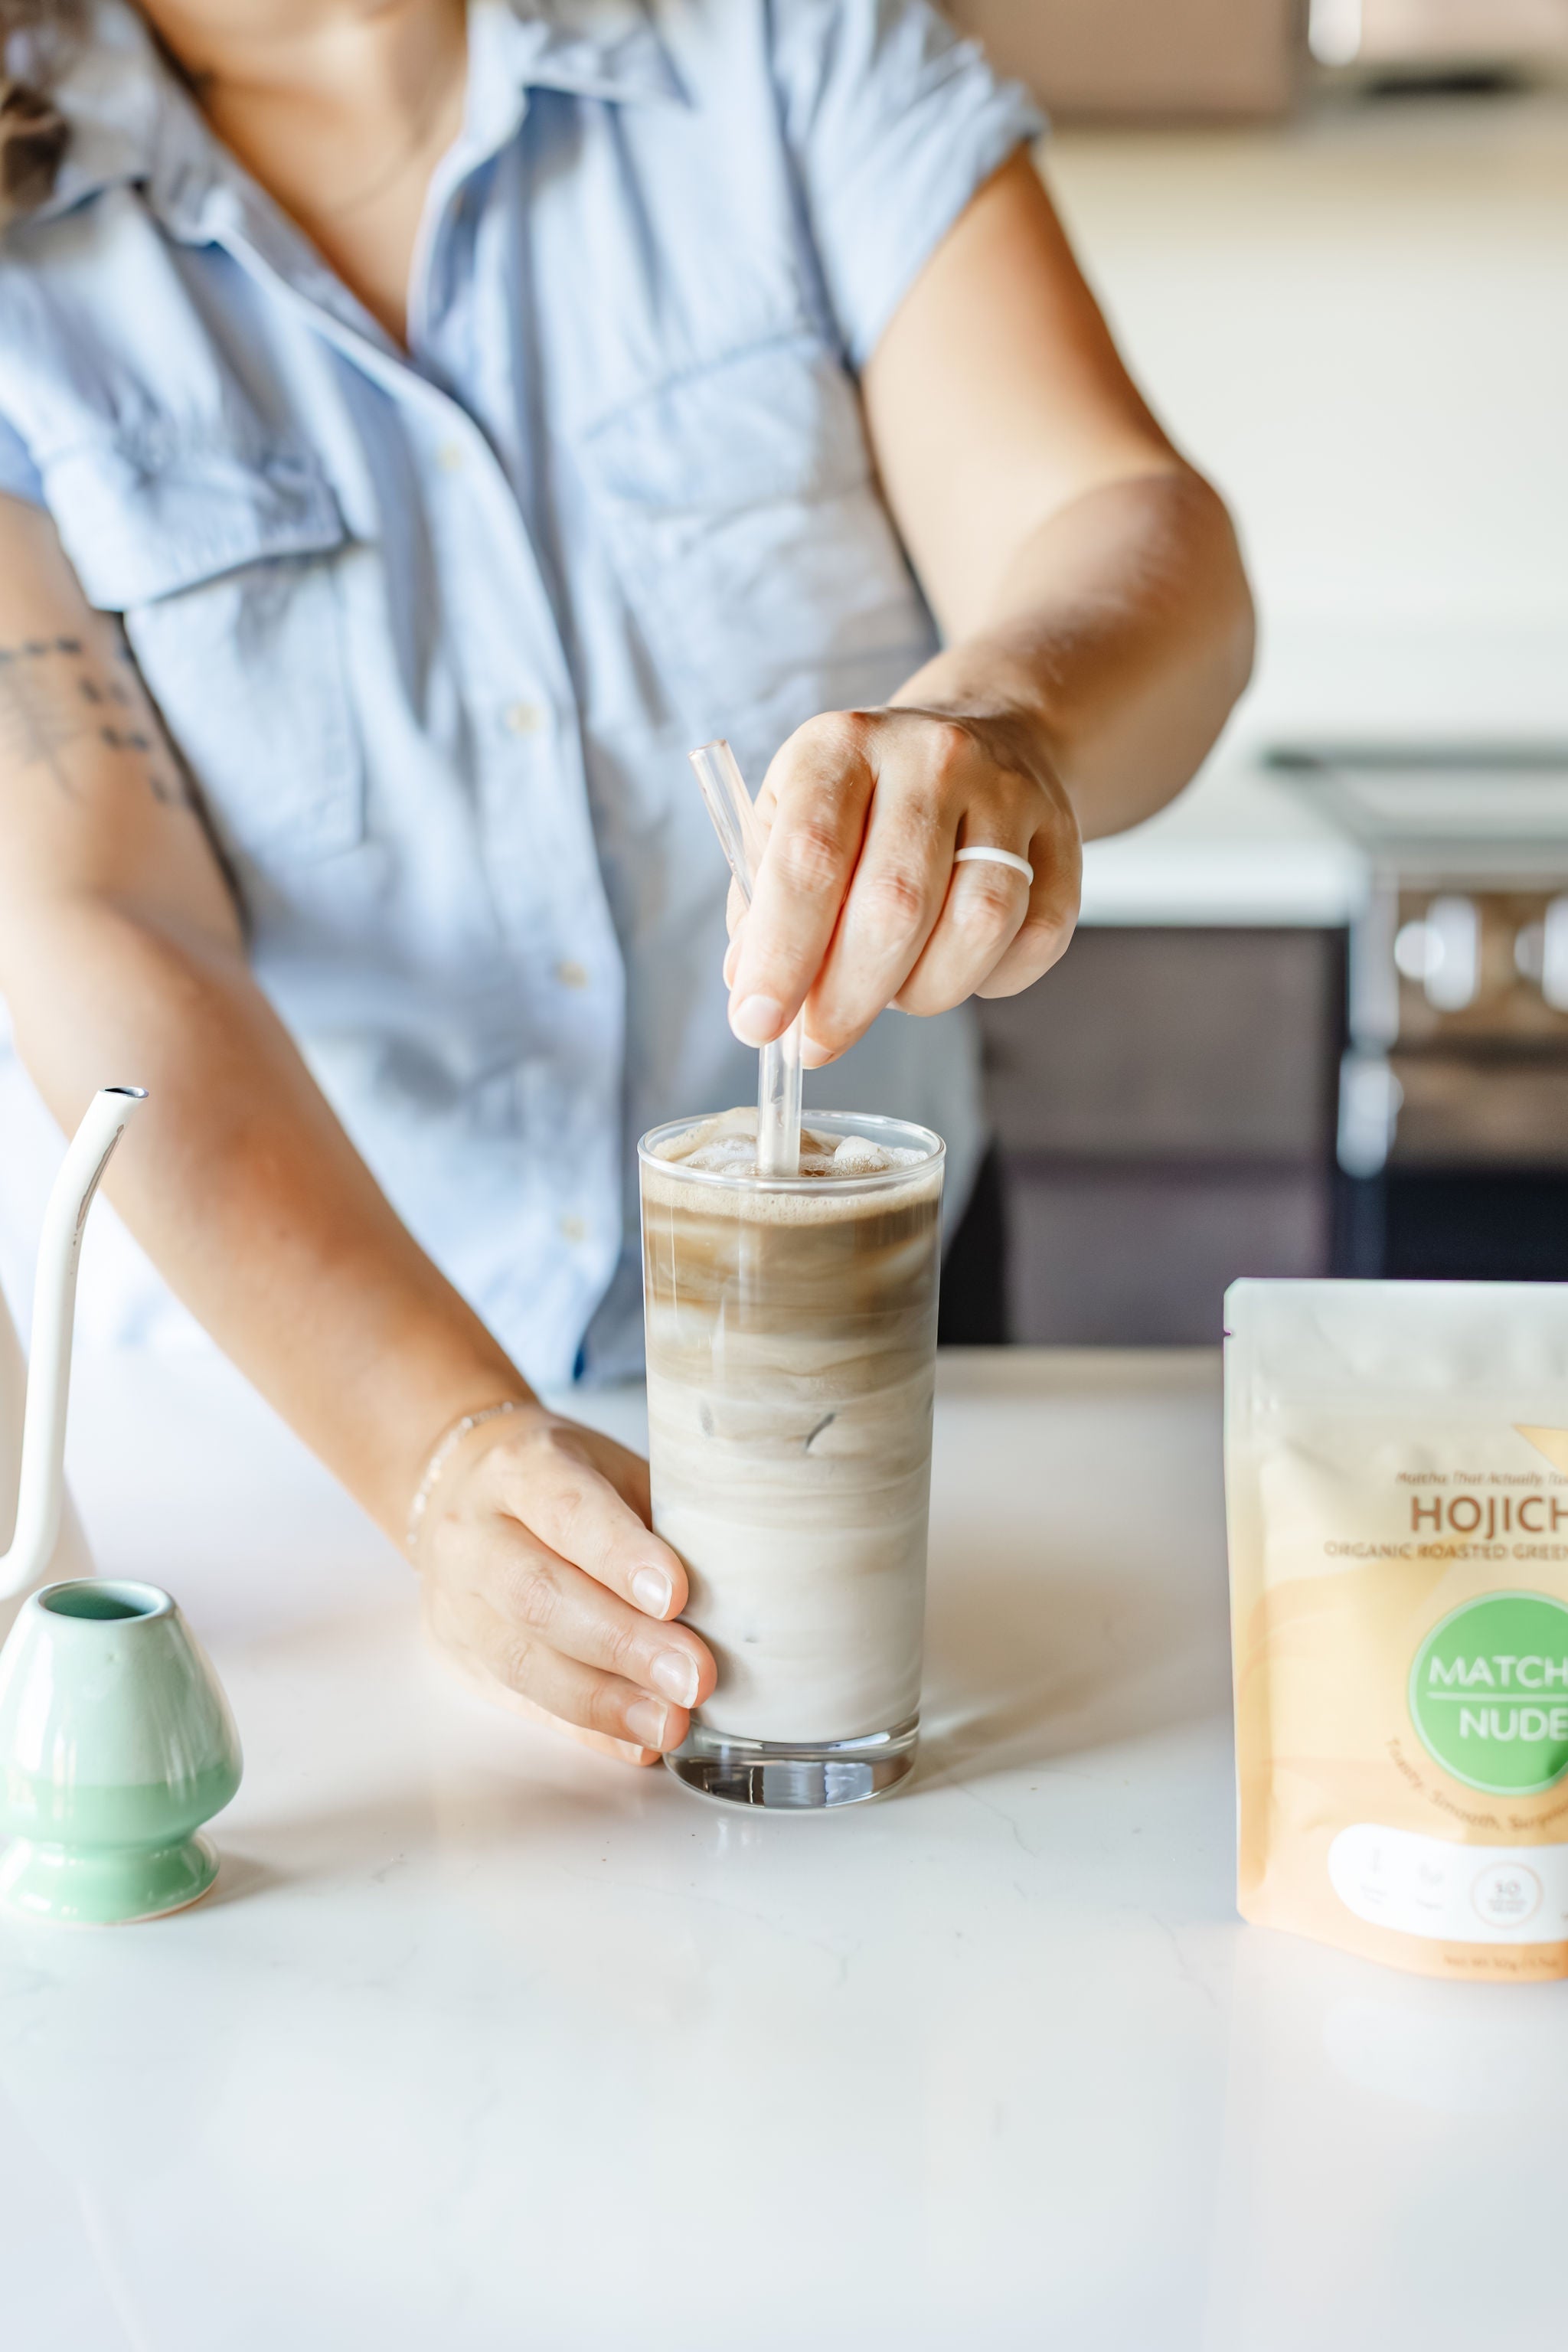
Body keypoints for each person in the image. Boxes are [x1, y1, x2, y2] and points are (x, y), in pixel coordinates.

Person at [0, 0, 1253, 1764]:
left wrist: (1003, 722)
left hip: (884, 1350)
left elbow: (1126, 520)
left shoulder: (783, 49)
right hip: (277, 1443)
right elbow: (97, 918)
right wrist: (433, 1450)